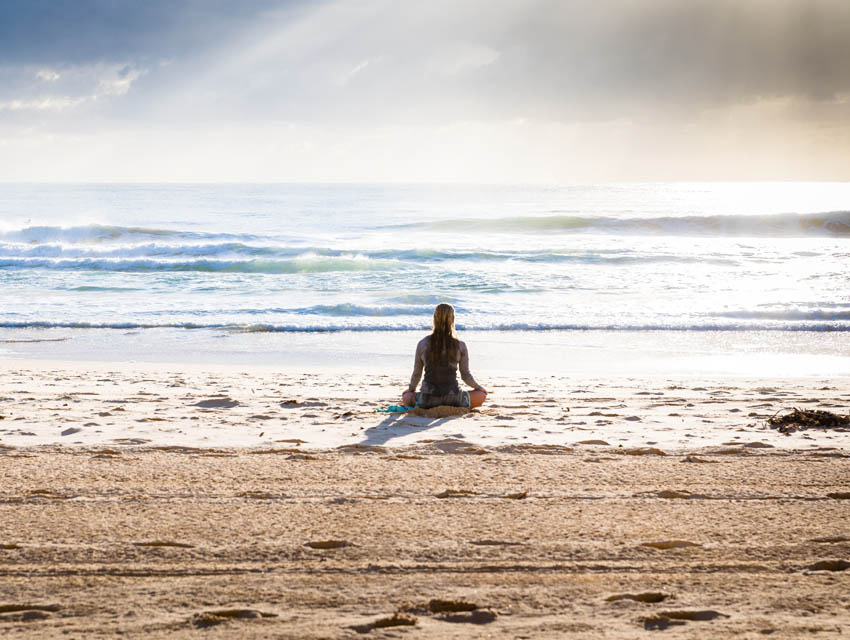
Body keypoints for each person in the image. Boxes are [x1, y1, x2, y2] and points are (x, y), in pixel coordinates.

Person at [402, 303, 487, 409]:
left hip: (427, 399)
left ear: (434, 319)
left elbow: (417, 374)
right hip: (453, 399)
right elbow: (465, 376)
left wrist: (410, 389)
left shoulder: (423, 343)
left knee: (406, 397)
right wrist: (479, 387)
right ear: (452, 319)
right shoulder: (460, 345)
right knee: (481, 395)